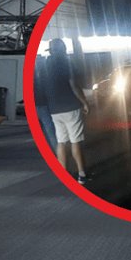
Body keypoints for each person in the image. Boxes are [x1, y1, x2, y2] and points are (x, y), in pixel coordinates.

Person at [45, 38, 90, 184]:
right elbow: (74, 86)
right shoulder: (66, 63)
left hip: (54, 109)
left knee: (61, 142)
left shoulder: (46, 64)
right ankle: (82, 175)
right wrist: (84, 102)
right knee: (75, 141)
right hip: (70, 107)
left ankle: (63, 176)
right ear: (63, 49)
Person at [34, 55, 57, 151]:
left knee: (46, 128)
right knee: (49, 128)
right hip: (43, 103)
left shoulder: (35, 74)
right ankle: (56, 150)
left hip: (38, 103)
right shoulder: (45, 74)